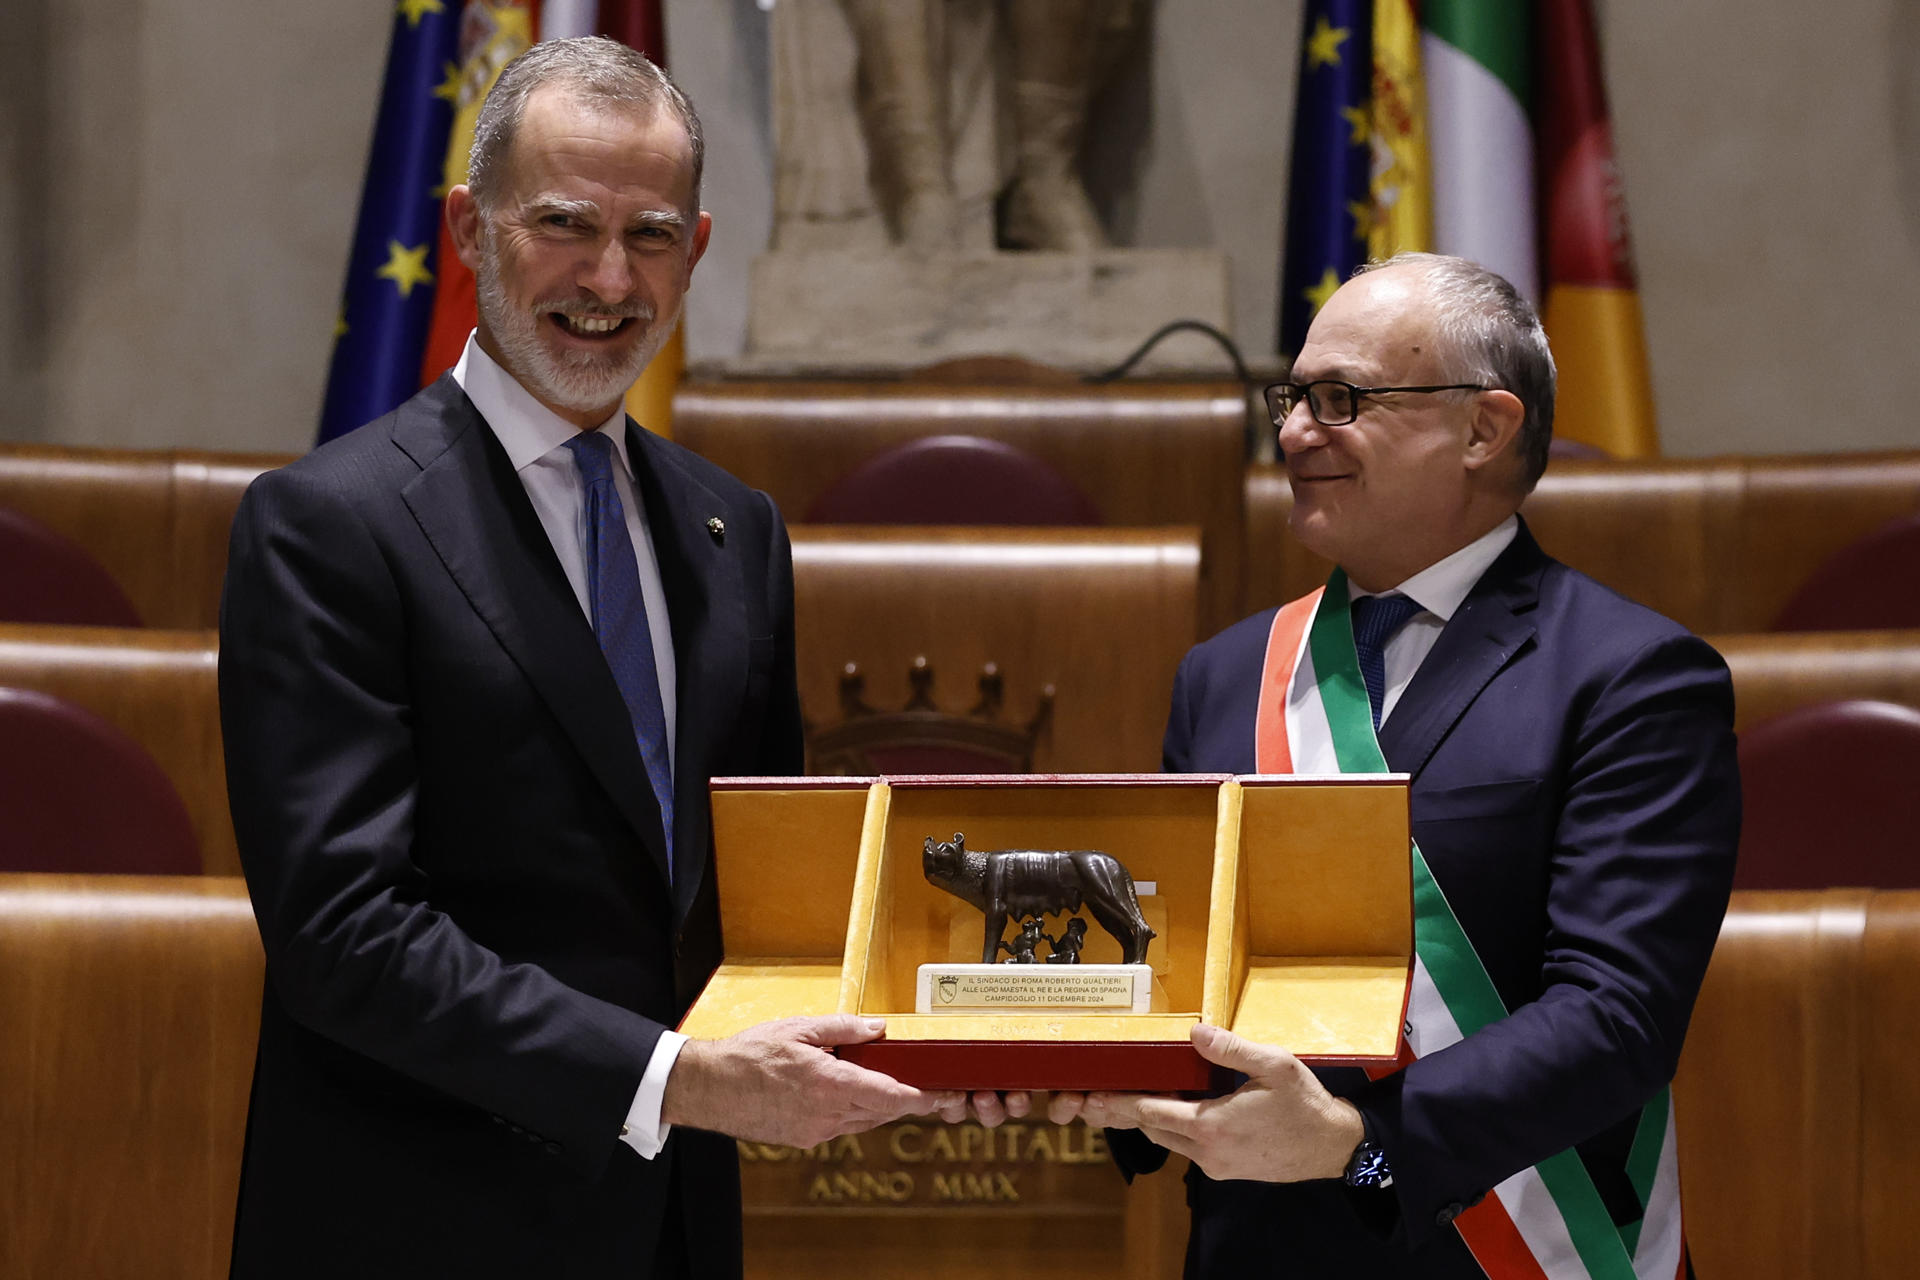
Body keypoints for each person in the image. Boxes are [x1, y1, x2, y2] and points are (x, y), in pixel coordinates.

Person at [219, 38, 962, 1279]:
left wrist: (956, 1038)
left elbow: (762, 896)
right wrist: (673, 1076)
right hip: (416, 1221)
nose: (608, 278)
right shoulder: (328, 524)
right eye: (563, 223)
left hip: (668, 1229)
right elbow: (342, 931)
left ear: (700, 248)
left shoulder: (737, 529)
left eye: (652, 234)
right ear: (468, 227)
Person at [1051, 253, 1740, 1278]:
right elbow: (1187, 958)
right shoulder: (1225, 672)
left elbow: (1616, 1012)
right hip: (1260, 1249)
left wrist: (1357, 1138)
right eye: (1292, 398)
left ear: (1484, 427)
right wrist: (1051, 1050)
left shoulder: (1634, 676)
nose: (1291, 432)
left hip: (1509, 1251)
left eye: (1340, 398)